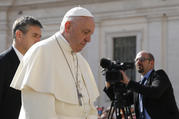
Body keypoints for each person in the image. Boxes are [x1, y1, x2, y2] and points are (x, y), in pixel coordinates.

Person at [10, 7, 99, 119]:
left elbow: (89, 109)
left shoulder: (81, 61)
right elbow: (38, 113)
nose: (89, 39)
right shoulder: (41, 52)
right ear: (68, 27)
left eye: (90, 34)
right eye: (85, 32)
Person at [104, 50, 179, 119]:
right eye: (136, 60)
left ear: (151, 63)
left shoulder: (159, 75)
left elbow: (155, 92)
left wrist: (128, 82)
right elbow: (120, 100)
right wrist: (108, 83)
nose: (138, 62)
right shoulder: (139, 86)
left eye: (142, 59)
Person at [0, 16, 43, 119]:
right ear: (19, 35)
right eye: (35, 36)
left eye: (40, 37)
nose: (39, 41)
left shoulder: (37, 64)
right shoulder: (2, 63)